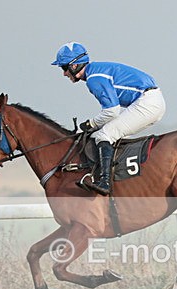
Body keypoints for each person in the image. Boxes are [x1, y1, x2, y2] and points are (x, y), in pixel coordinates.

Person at [51, 41, 166, 195]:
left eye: (64, 68)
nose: (64, 73)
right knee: (110, 134)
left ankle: (105, 182)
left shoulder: (93, 79)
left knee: (103, 135)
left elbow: (112, 111)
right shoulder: (96, 71)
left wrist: (90, 124)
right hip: (150, 100)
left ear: (73, 65)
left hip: (147, 102)